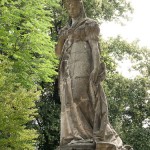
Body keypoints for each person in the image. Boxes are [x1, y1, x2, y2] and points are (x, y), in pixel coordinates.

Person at [55, 0, 131, 149]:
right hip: (67, 67)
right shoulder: (65, 29)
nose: (70, 8)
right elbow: (58, 53)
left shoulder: (89, 24)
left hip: (83, 61)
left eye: (73, 4)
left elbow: (95, 47)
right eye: (67, 5)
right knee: (69, 101)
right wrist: (62, 38)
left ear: (80, 5)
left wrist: (96, 67)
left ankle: (89, 133)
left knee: (81, 96)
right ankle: (76, 136)